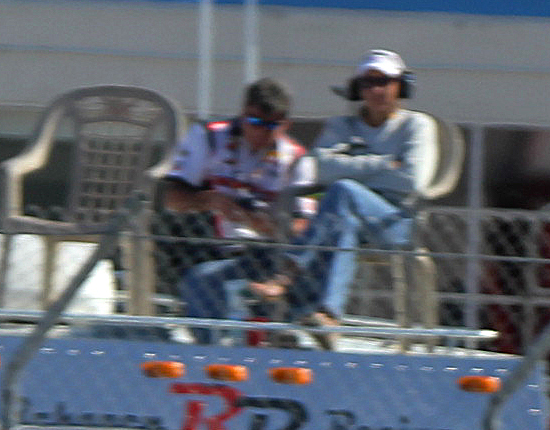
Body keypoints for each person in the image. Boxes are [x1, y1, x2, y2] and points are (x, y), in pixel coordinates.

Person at [294, 51, 438, 330]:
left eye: (383, 82)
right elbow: (319, 168)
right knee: (342, 220)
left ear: (401, 86)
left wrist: (349, 168)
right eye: (368, 83)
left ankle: (290, 270)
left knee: (343, 190)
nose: (375, 90)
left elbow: (412, 181)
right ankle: (327, 316)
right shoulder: (340, 126)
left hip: (397, 222)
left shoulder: (417, 126)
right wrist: (384, 164)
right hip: (350, 221)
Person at [161, 78, 312, 336]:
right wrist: (210, 200)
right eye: (254, 122)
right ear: (242, 115)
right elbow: (171, 198)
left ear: (286, 124)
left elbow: (304, 226)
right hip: (210, 246)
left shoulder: (297, 158)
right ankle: (210, 348)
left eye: (271, 125)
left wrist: (269, 226)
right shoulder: (209, 136)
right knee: (199, 279)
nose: (261, 132)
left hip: (267, 254)